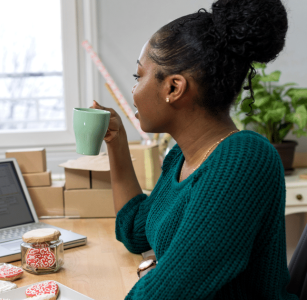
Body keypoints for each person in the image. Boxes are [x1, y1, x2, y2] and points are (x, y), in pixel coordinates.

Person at [91, 0, 299, 299]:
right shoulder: (181, 156)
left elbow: (172, 290)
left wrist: (160, 273)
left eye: (139, 76)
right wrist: (116, 142)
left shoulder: (244, 159)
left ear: (174, 88)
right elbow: (134, 230)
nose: (134, 91)